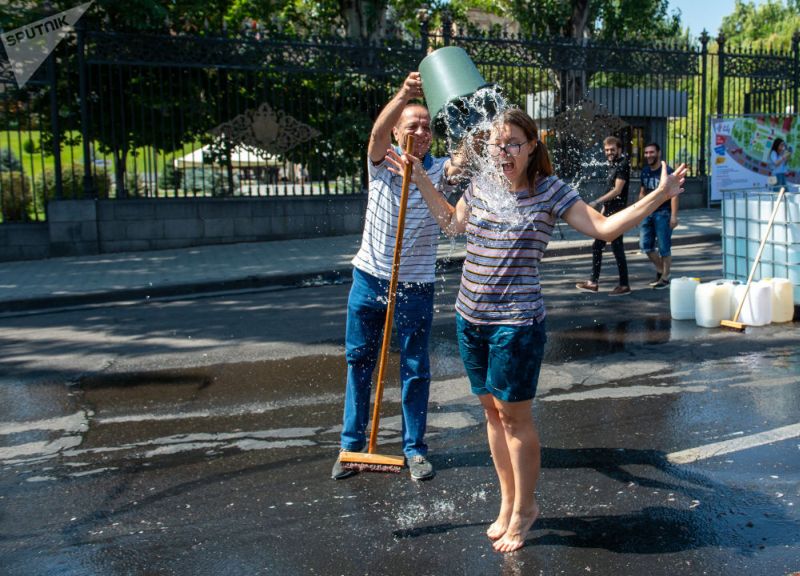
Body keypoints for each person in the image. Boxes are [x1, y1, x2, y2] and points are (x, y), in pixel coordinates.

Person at [387, 108, 686, 553]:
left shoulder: (550, 191)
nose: (502, 151)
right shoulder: (482, 183)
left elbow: (604, 229)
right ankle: (508, 502)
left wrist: (659, 196)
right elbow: (453, 223)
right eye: (495, 143)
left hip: (517, 324)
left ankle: (526, 507)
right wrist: (422, 181)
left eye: (512, 144)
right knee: (491, 413)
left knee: (515, 417)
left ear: (531, 147)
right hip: (471, 319)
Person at [331, 72, 458, 482]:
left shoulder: (438, 170)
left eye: (426, 126)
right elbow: (375, 134)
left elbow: (467, 158)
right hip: (369, 279)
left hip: (415, 285)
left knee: (416, 367)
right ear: (397, 131)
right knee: (359, 364)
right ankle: (351, 446)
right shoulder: (381, 163)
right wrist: (404, 94)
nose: (420, 130)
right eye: (412, 124)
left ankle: (415, 450)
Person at [575, 136, 632, 296]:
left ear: (619, 149)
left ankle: (613, 283)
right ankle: (604, 282)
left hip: (617, 214)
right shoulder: (613, 164)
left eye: (612, 149)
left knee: (613, 247)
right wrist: (603, 211)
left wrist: (596, 201)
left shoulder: (622, 165)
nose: (609, 152)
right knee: (604, 247)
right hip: (609, 213)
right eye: (607, 150)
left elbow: (617, 191)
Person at [638, 143, 678, 289]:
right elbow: (642, 192)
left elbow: (674, 195)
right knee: (645, 245)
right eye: (646, 153)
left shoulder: (667, 171)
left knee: (664, 247)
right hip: (648, 212)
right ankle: (662, 270)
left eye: (651, 152)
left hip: (663, 213)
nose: (648, 155)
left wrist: (674, 216)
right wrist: (638, 212)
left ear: (659, 153)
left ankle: (665, 277)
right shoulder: (645, 171)